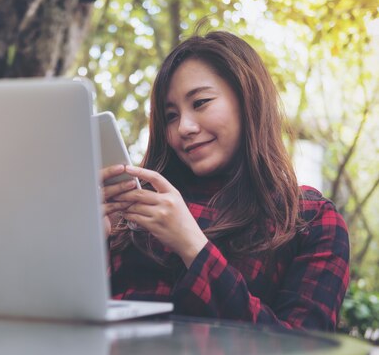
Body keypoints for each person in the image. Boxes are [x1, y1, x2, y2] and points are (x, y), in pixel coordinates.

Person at [101, 30, 349, 331]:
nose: (184, 128)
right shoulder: (136, 213)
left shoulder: (309, 219)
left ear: (248, 101)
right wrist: (92, 245)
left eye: (201, 102)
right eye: (170, 116)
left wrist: (191, 245)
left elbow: (304, 353)